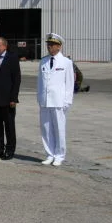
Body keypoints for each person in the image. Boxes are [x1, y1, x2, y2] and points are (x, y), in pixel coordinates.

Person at [37, 33, 74, 167]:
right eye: (48, 44)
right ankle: (49, 154)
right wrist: (39, 97)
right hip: (45, 101)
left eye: (52, 45)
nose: (49, 47)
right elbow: (40, 82)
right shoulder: (43, 61)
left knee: (59, 129)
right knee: (46, 129)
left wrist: (67, 101)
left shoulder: (66, 62)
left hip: (59, 101)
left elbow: (69, 83)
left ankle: (59, 155)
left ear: (59, 46)